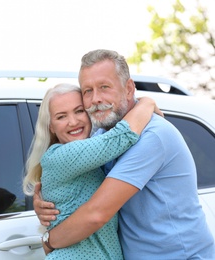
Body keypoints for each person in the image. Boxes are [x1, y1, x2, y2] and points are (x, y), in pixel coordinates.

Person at [33, 49, 215, 259]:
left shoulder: (153, 136)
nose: (95, 99)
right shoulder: (101, 135)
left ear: (129, 88)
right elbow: (76, 186)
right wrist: (46, 202)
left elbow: (96, 213)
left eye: (104, 87)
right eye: (87, 91)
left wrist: (49, 240)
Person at [23, 83, 162, 259]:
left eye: (79, 111)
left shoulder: (94, 153)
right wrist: (147, 102)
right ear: (51, 126)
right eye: (61, 116)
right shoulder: (62, 156)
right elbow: (122, 136)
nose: (73, 122)